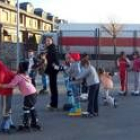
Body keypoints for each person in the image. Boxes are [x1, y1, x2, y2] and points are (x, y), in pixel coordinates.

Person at [0, 61, 41, 131]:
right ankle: (34, 122)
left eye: (18, 67)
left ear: (20, 68)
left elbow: (12, 84)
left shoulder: (18, 76)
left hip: (28, 95)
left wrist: (3, 85)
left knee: (25, 109)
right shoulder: (25, 75)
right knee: (31, 108)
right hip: (33, 93)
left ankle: (26, 124)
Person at [0, 61, 16, 133]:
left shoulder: (2, 71)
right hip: (9, 91)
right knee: (8, 106)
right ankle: (10, 122)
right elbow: (13, 75)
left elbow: (1, 80)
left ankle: (5, 125)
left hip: (5, 92)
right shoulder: (5, 69)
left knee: (5, 108)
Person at [45, 36, 60, 110]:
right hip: (52, 70)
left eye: (48, 41)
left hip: (53, 70)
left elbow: (54, 60)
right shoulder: (50, 49)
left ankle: (54, 104)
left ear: (52, 41)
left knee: (53, 87)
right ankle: (53, 103)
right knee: (53, 87)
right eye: (46, 41)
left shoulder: (52, 49)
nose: (47, 42)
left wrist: (56, 67)